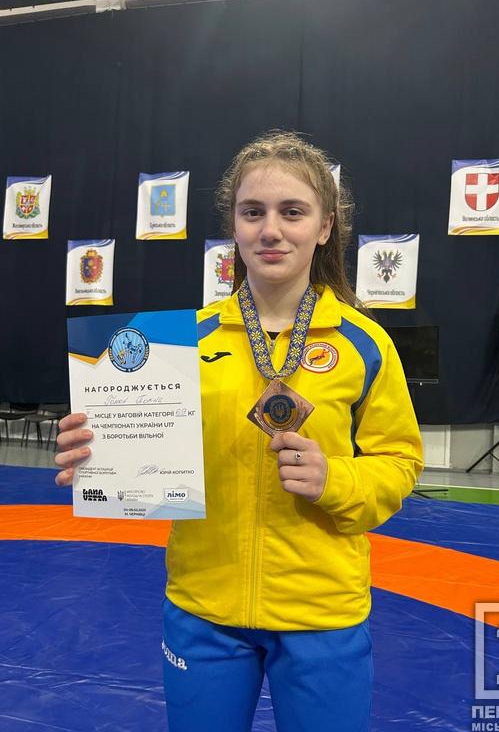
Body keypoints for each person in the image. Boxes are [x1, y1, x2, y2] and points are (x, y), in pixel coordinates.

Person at [56, 131, 424, 732]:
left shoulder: (364, 344)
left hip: (322, 612)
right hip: (204, 609)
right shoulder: (177, 345)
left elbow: (400, 461)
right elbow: (141, 451)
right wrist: (93, 451)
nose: (270, 230)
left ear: (325, 227)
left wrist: (336, 479)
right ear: (234, 225)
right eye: (253, 212)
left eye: (292, 212)